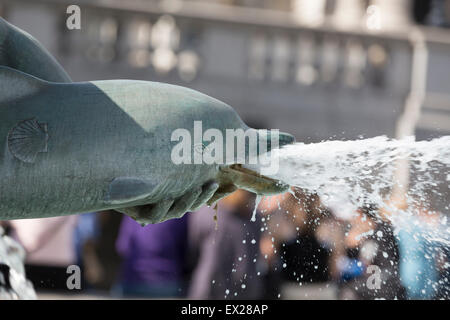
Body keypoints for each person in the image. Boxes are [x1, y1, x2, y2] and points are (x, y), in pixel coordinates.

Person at [187, 190, 263, 299]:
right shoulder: (209, 212)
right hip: (209, 289)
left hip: (245, 290)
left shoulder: (255, 217)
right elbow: (193, 248)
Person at [116, 214, 189, 298]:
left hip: (133, 281)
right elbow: (187, 247)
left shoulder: (133, 209)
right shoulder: (181, 211)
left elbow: (122, 247)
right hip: (167, 282)